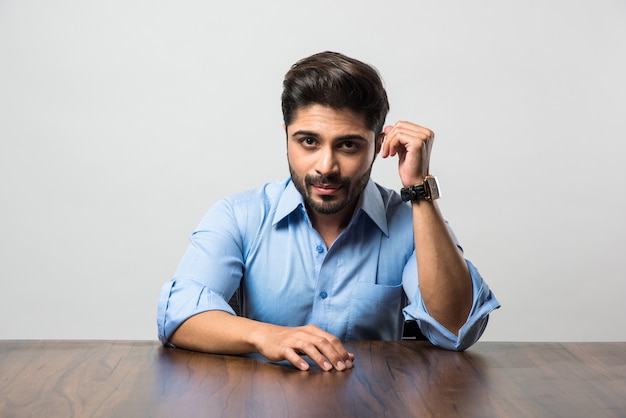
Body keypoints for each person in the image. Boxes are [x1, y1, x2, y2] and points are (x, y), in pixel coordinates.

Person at [157, 51, 499, 371]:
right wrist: (267, 335)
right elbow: (180, 313)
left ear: (380, 145)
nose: (326, 166)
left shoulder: (412, 224)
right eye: (308, 141)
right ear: (287, 137)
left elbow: (456, 329)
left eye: (348, 144)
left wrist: (420, 189)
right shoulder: (239, 216)